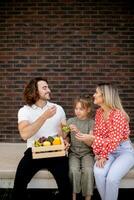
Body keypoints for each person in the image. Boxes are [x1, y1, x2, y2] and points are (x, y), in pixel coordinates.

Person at [12, 77, 72, 200]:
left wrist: (66, 138)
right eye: (44, 88)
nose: (48, 90)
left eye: (48, 87)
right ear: (35, 91)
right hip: (34, 151)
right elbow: (24, 134)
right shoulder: (24, 111)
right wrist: (44, 116)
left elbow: (65, 131)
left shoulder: (58, 108)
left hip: (56, 151)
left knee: (65, 185)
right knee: (19, 183)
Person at [75, 83, 134, 200]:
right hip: (108, 151)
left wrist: (95, 142)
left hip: (124, 151)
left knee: (112, 178)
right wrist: (100, 154)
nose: (94, 95)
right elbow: (99, 134)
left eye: (96, 93)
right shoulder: (99, 113)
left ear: (105, 96)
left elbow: (114, 140)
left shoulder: (118, 115)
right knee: (99, 173)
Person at [66, 95, 94, 200]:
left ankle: (88, 196)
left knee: (88, 170)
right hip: (73, 153)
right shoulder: (70, 121)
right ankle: (73, 196)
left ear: (88, 110)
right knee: (73, 170)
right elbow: (64, 136)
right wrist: (66, 130)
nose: (78, 111)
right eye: (76, 108)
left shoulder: (91, 123)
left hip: (87, 153)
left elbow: (91, 142)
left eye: (81, 109)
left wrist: (78, 132)